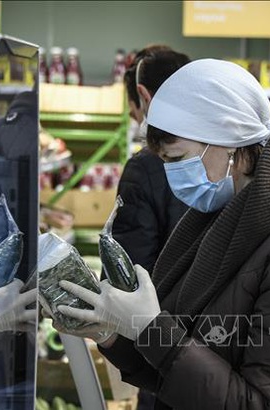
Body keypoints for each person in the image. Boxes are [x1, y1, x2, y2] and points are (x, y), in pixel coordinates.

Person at [54, 59, 270, 409]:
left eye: (178, 158)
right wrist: (110, 334)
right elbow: (181, 370)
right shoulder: (225, 217)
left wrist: (152, 330)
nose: (171, 175)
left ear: (229, 143)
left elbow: (267, 403)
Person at [115, 45, 190, 410]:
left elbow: (131, 277)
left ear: (143, 98)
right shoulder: (236, 161)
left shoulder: (144, 168)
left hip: (165, 352)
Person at [113, 45, 189, 275]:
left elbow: (128, 273)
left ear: (144, 97)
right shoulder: (227, 155)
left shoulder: (144, 167)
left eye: (132, 108)